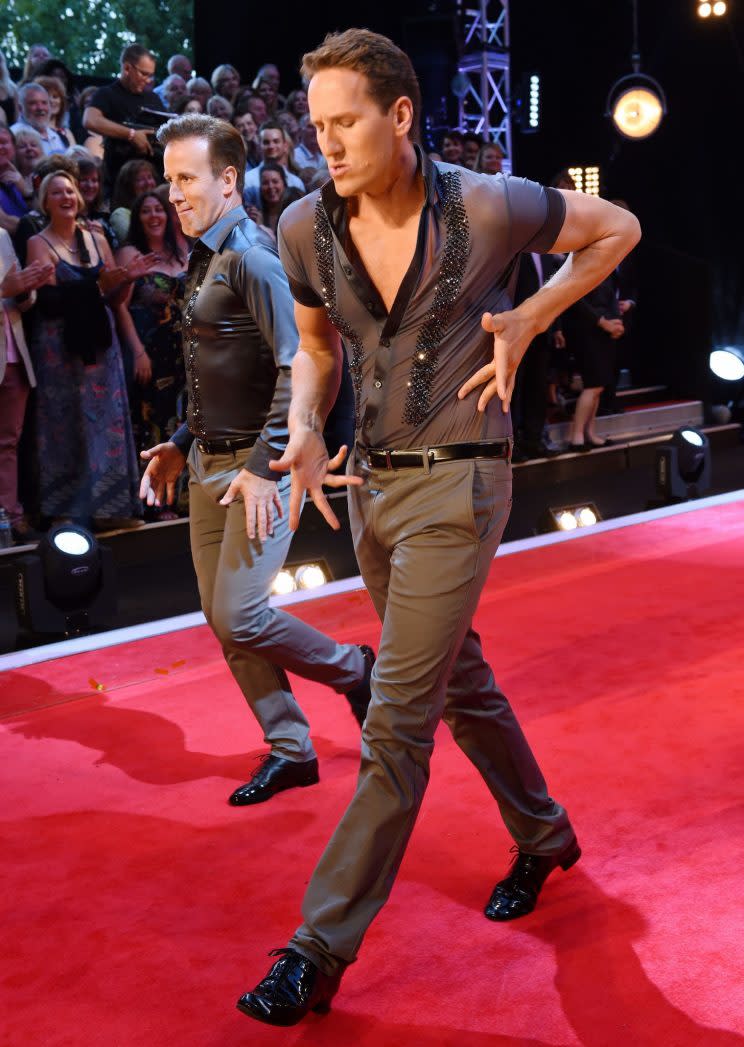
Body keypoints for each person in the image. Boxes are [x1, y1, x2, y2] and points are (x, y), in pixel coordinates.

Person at [237, 28, 641, 1026]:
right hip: (368, 487)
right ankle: (544, 836)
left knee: (396, 726)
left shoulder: (489, 202)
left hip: (464, 482)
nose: (323, 142)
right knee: (460, 683)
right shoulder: (300, 226)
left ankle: (316, 949)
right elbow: (318, 351)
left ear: (401, 115)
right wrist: (297, 423)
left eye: (343, 123)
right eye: (316, 124)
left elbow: (617, 227)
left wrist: (533, 316)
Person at [139, 113, 375, 809]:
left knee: (239, 616)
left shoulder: (251, 255)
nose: (174, 194)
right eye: (169, 179)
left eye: (186, 179)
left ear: (229, 181)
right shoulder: (205, 253)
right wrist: (181, 444)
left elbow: (302, 364)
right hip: (211, 465)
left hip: (258, 465)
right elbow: (218, 370)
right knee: (224, 618)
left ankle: (355, 669)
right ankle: (292, 748)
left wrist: (266, 458)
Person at [26, 170, 147, 528]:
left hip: (100, 346)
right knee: (62, 428)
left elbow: (113, 296)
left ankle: (112, 510)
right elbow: (48, 301)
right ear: (45, 202)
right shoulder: (37, 242)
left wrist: (127, 279)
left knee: (106, 427)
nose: (66, 197)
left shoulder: (96, 237)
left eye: (70, 191)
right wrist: (98, 287)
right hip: (58, 350)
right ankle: (65, 512)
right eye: (57, 192)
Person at [116, 190, 187, 517]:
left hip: (185, 352)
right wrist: (138, 352)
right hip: (151, 354)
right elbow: (120, 307)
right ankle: (154, 502)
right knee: (153, 423)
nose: (154, 216)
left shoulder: (181, 250)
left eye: (159, 209)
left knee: (183, 420)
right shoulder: (131, 252)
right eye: (146, 211)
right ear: (137, 218)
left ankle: (185, 496)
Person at [0, 228, 54, 543]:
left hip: (13, 355)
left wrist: (24, 291)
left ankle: (9, 515)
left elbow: (23, 301)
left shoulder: (3, 236)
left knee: (8, 443)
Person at [83, 44, 162, 195]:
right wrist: (131, 134)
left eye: (151, 75)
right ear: (127, 68)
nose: (148, 80)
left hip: (154, 179)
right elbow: (90, 120)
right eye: (144, 74)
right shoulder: (106, 94)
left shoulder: (153, 98)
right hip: (121, 181)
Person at [242, 121, 305, 207]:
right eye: (266, 142)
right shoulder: (248, 180)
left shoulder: (296, 182)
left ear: (285, 145)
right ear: (259, 146)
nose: (271, 146)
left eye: (276, 141)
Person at [109, 157, 158, 243]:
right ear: (128, 186)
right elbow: (134, 242)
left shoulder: (160, 209)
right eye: (140, 179)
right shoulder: (120, 214)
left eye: (150, 177)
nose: (148, 183)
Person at [10, 83, 67, 156]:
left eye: (44, 103)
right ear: (20, 108)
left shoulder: (55, 135)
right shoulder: (14, 134)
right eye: (33, 103)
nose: (40, 108)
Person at [0, 127, 32, 234]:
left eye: (3, 142)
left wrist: (26, 191)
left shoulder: (21, 177)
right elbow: (6, 223)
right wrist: (42, 227)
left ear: (14, 148)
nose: (0, 147)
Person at [33, 75, 75, 148]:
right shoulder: (30, 131)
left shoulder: (67, 133)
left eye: (55, 97)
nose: (51, 101)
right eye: (46, 96)